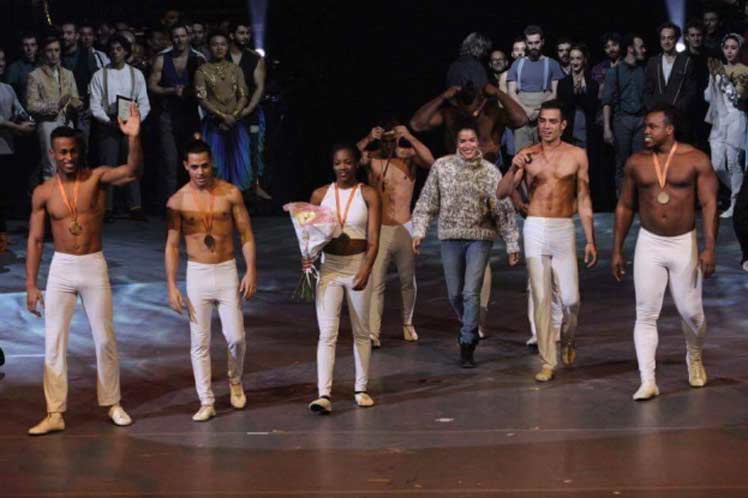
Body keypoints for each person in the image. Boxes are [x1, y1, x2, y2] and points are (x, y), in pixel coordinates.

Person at [25, 105, 142, 435]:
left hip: (92, 265)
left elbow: (132, 171)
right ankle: (54, 413)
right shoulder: (44, 193)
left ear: (80, 151)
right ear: (52, 154)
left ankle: (113, 403)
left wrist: (133, 138)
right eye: (62, 152)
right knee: (54, 342)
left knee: (104, 339)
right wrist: (31, 284)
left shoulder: (96, 178)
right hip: (61, 267)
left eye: (73, 151)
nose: (68, 157)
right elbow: (35, 240)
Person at [612, 104, 718, 400]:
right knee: (645, 313)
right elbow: (625, 206)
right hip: (650, 242)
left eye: (652, 127)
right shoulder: (636, 162)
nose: (645, 131)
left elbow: (709, 204)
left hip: (684, 243)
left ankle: (694, 354)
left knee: (691, 313)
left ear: (669, 129)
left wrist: (709, 247)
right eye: (645, 126)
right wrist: (617, 249)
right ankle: (648, 380)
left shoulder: (695, 159)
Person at [497, 100, 597, 382]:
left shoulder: (577, 155)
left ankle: (568, 338)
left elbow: (584, 199)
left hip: (563, 227)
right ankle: (547, 360)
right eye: (542, 121)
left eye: (553, 121)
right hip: (536, 227)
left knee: (571, 300)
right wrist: (513, 167)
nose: (547, 126)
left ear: (563, 125)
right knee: (541, 297)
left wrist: (590, 239)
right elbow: (501, 192)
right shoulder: (527, 155)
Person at [412, 124, 520, 368]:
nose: (467, 145)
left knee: (471, 292)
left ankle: (468, 341)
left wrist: (512, 243)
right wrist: (419, 231)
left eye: (472, 140)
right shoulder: (442, 167)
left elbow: (503, 210)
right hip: (450, 237)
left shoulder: (490, 171)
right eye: (463, 141)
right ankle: (468, 324)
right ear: (457, 144)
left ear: (478, 143)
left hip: (480, 237)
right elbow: (427, 202)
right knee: (455, 294)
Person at [165, 139, 256, 421]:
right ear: (185, 166)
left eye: (205, 166)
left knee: (236, 337)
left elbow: (246, 234)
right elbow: (172, 245)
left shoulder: (230, 193)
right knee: (199, 342)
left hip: (227, 270)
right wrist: (171, 284)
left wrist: (251, 270)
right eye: (194, 167)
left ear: (212, 163)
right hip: (197, 274)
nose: (200, 172)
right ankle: (206, 400)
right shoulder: (178, 201)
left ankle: (235, 380)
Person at [305, 144, 381, 414]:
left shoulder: (368, 194)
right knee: (327, 333)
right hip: (330, 268)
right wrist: (307, 255)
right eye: (338, 163)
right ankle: (323, 394)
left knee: (361, 330)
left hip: (358, 266)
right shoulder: (320, 194)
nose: (343, 167)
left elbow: (374, 239)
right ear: (332, 165)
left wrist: (366, 269)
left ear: (357, 163)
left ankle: (361, 389)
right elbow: (309, 234)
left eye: (348, 162)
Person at [357, 121, 434, 348]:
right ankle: (373, 331)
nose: (389, 144)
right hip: (380, 228)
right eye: (385, 139)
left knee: (407, 280)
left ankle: (408, 323)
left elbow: (430, 161)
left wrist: (409, 136)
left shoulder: (408, 158)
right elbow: (350, 158)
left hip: (404, 227)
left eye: (392, 139)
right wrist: (368, 138)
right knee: (376, 282)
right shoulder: (372, 159)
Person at [89, 33, 151, 221]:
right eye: (112, 49)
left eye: (119, 49)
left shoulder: (136, 74)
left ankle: (135, 206)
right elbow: (95, 105)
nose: (116, 53)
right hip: (108, 124)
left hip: (129, 123)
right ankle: (106, 208)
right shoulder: (99, 75)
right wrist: (108, 121)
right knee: (108, 165)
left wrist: (135, 121)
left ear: (126, 52)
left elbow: (144, 103)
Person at [148, 23, 204, 205]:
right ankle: (171, 205)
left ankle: (193, 202)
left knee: (192, 160)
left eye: (183, 36)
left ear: (189, 37)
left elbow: (204, 87)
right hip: (167, 116)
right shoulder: (162, 59)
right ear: (171, 39)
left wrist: (190, 92)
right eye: (176, 36)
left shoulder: (198, 59)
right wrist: (170, 90)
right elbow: (152, 85)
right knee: (169, 161)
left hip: (190, 116)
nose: (180, 40)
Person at [195, 31, 251, 191]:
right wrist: (222, 117)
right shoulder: (202, 71)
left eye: (223, 44)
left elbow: (243, 95)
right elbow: (202, 99)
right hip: (214, 124)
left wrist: (233, 116)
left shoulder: (236, 69)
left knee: (240, 165)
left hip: (236, 123)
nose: (219, 48)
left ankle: (237, 199)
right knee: (215, 164)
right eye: (215, 44)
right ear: (209, 47)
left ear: (227, 47)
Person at [26, 35, 83, 184]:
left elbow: (74, 97)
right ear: (43, 52)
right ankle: (52, 197)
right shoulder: (35, 76)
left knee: (69, 163)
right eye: (49, 50)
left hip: (67, 122)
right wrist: (56, 105)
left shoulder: (68, 74)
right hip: (48, 124)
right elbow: (31, 104)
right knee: (51, 166)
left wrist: (78, 104)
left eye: (57, 50)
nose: (53, 54)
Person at [704, 34, 748, 218]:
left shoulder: (744, 70)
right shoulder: (717, 68)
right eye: (727, 47)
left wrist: (723, 78)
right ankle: (742, 195)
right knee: (717, 165)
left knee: (733, 163)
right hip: (719, 120)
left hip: (736, 118)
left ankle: (736, 203)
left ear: (740, 50)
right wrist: (713, 77)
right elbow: (708, 97)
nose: (729, 51)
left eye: (733, 47)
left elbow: (738, 99)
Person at [506, 25, 566, 151]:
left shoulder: (552, 64)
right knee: (523, 154)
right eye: (530, 43)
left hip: (545, 115)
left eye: (536, 42)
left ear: (542, 42)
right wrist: (526, 110)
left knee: (546, 153)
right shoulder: (517, 64)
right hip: (522, 115)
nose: (533, 46)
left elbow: (555, 93)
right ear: (526, 43)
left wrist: (538, 111)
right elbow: (511, 92)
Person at [228, 22, 269, 199]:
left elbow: (260, 87)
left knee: (254, 149)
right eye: (241, 32)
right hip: (227, 114)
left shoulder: (254, 58)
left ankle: (254, 187)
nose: (245, 36)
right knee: (231, 152)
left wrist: (249, 109)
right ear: (232, 35)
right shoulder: (222, 56)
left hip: (251, 113)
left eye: (247, 33)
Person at [602, 33, 648, 192]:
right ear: (630, 49)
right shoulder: (614, 72)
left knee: (641, 162)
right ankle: (623, 200)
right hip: (622, 120)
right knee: (622, 163)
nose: (644, 50)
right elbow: (606, 102)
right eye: (641, 47)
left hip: (641, 120)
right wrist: (607, 128)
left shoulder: (644, 70)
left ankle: (639, 200)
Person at [0, 47, 35, 252]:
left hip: (7, 148)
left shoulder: (8, 88)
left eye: (3, 59)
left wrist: (27, 121)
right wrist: (17, 128)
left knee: (3, 194)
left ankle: (2, 236)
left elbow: (19, 109)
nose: (1, 63)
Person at [643, 22, 697, 117]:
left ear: (676, 39)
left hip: (678, 116)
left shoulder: (686, 62)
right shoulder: (653, 62)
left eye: (670, 38)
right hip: (657, 116)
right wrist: (653, 108)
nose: (666, 42)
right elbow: (647, 90)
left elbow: (690, 91)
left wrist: (677, 110)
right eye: (663, 38)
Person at [685, 19, 711, 152]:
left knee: (706, 147)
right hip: (687, 110)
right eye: (692, 35)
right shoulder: (681, 58)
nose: (696, 38)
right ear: (687, 37)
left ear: (703, 36)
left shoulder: (711, 56)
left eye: (699, 35)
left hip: (707, 109)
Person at [5, 33, 38, 106]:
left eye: (32, 45)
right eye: (26, 45)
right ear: (21, 47)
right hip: (23, 110)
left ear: (36, 47)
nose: (29, 49)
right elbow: (7, 96)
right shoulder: (13, 68)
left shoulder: (42, 65)